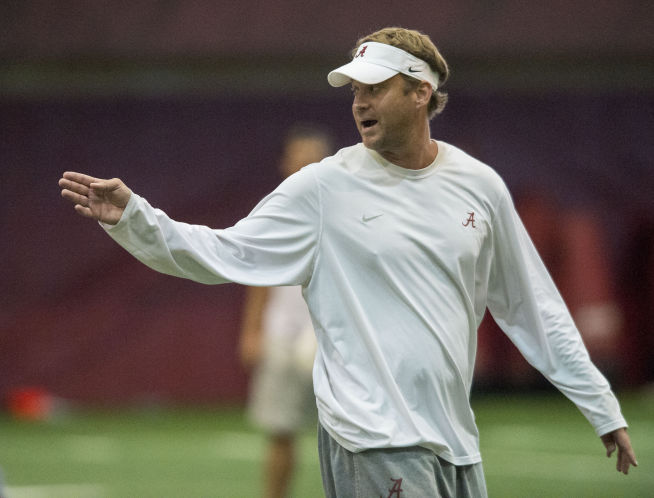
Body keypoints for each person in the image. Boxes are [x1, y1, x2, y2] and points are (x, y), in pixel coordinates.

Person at [59, 27, 637, 497]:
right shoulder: (323, 187)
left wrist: (599, 401)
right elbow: (221, 254)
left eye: (374, 87)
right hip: (372, 437)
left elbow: (531, 303)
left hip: (456, 441)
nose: (358, 101)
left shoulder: (479, 185)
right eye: (353, 90)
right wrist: (133, 216)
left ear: (420, 92)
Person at [239, 125, 331, 498]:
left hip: (331, 334)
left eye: (314, 156)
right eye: (300, 155)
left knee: (349, 434)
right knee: (279, 430)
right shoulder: (273, 211)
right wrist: (252, 330)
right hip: (282, 331)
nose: (306, 163)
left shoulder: (343, 207)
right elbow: (259, 275)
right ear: (285, 163)